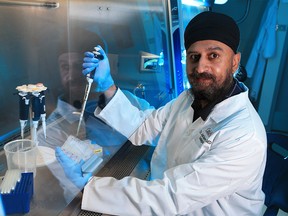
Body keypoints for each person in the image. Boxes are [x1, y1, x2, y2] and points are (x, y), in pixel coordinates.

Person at [56, 11, 267, 215]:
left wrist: (87, 187)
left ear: (234, 61)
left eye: (214, 56)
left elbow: (169, 197)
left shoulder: (244, 135)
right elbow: (145, 126)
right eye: (194, 57)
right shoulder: (189, 99)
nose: (201, 67)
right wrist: (107, 84)